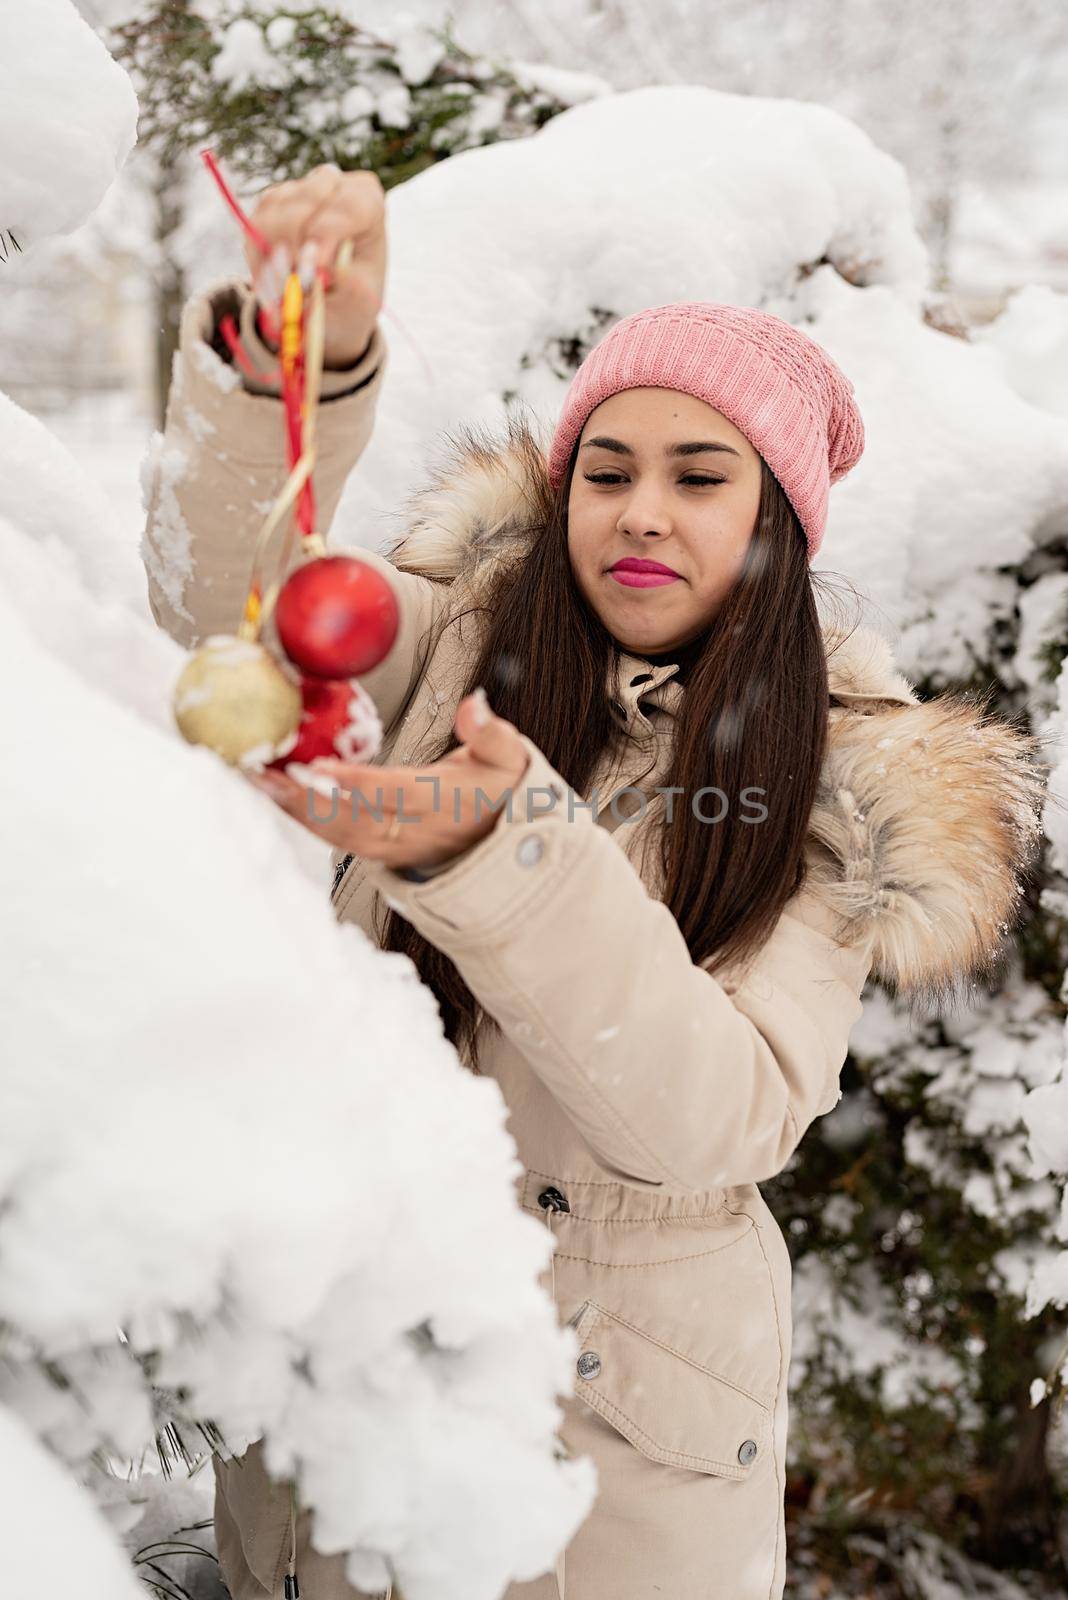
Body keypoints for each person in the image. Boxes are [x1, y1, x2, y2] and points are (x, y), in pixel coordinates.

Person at [141, 166, 1045, 1600]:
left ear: (777, 521)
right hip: (362, 1345)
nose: (640, 512)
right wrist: (289, 377)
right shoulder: (458, 645)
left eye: (701, 479)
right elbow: (236, 618)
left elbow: (718, 1113)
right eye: (608, 471)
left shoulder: (841, 785)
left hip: (608, 1433)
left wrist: (500, 856)